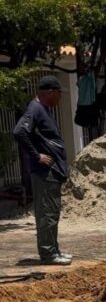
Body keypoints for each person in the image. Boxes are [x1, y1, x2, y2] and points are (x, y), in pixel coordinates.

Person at [13, 76, 72, 265]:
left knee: (52, 212)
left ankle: (54, 250)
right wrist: (37, 155)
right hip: (43, 172)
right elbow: (19, 132)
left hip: (52, 172)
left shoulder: (43, 110)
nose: (60, 97)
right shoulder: (35, 109)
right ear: (49, 92)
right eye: (59, 93)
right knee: (46, 213)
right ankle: (48, 254)